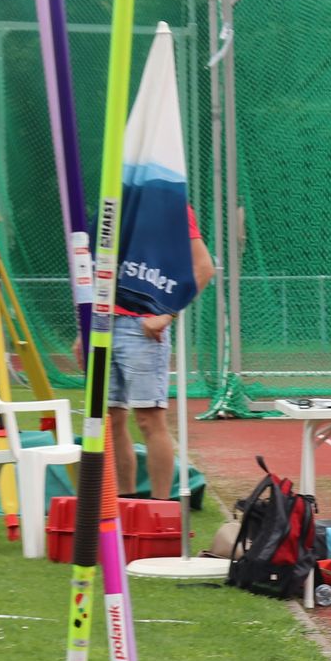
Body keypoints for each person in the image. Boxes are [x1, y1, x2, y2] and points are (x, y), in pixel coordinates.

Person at [107, 205, 216, 500]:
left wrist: (167, 313)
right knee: (112, 419)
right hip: (103, 323)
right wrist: (85, 328)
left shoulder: (171, 203)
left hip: (141, 327)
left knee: (148, 419)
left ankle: (160, 508)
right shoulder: (115, 200)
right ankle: (126, 503)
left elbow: (204, 267)